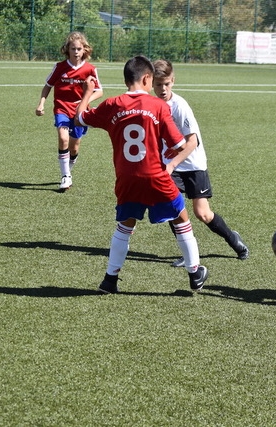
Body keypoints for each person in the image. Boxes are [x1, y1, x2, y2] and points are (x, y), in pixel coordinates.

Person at [74, 55, 208, 293]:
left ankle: (109, 280)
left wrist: (88, 92)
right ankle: (195, 272)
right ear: (147, 78)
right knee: (181, 218)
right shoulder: (159, 106)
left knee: (125, 227)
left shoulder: (112, 104)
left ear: (127, 80)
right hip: (155, 175)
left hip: (126, 178)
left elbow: (81, 116)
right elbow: (179, 145)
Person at [152, 59, 249, 267]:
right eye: (158, 84)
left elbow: (192, 142)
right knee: (173, 208)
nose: (162, 89)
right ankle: (189, 253)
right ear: (151, 83)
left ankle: (234, 239)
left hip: (193, 164)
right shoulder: (154, 106)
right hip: (172, 166)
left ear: (173, 81)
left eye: (166, 84)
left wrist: (171, 164)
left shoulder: (180, 106)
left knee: (202, 213)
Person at [35, 31, 103, 192]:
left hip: (80, 112)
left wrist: (85, 101)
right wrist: (41, 104)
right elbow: (47, 86)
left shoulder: (90, 69)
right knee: (63, 138)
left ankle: (68, 170)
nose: (76, 52)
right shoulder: (60, 67)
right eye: (73, 49)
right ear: (68, 49)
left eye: (79, 49)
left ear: (84, 50)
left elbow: (99, 91)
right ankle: (65, 176)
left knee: (74, 146)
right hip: (62, 108)